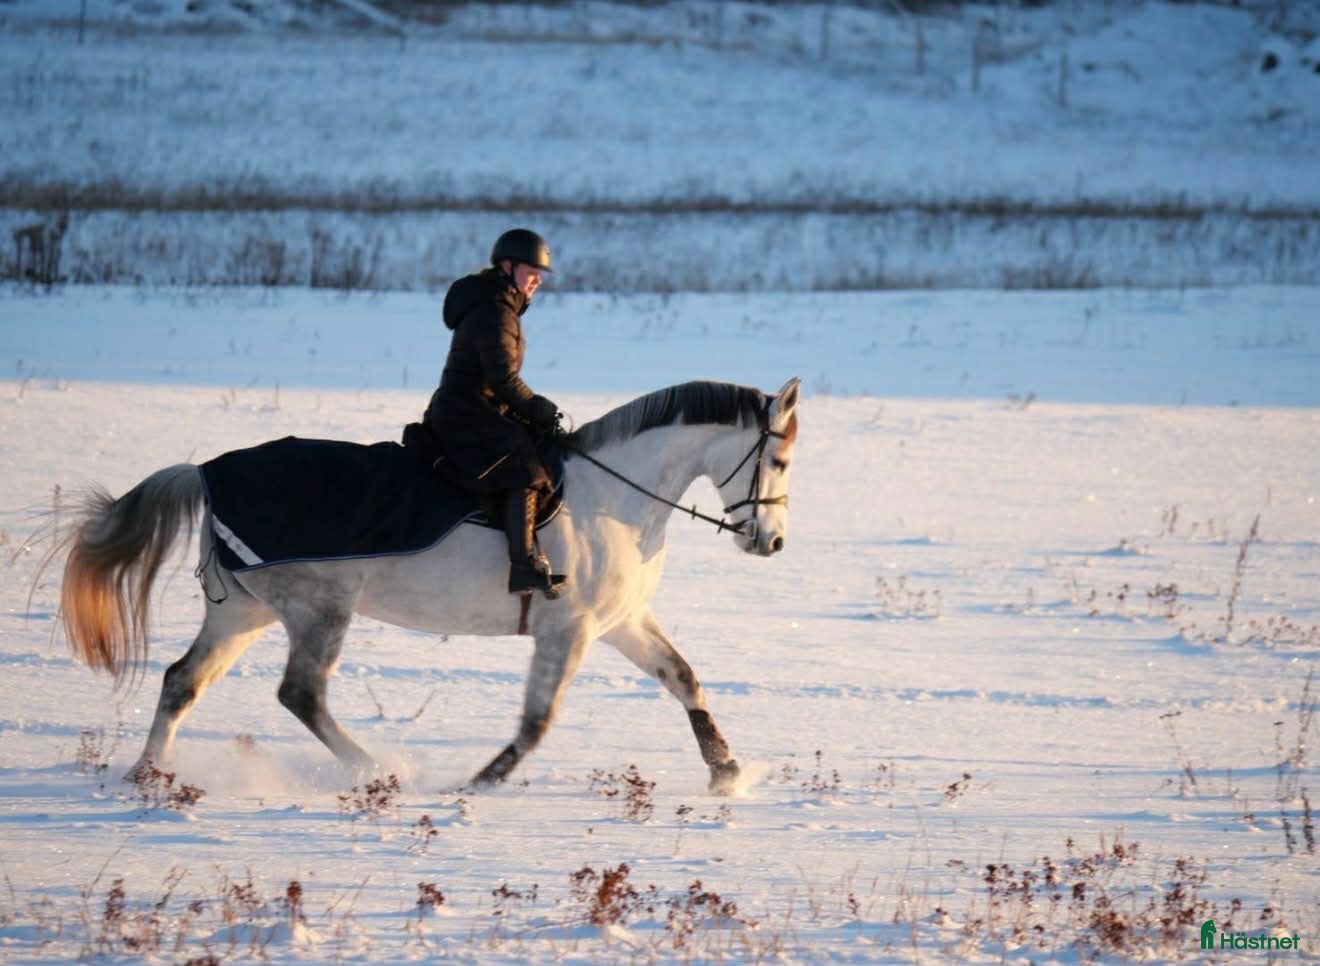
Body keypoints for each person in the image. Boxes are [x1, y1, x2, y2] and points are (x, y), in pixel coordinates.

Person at [413, 228, 567, 598]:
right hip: (465, 413)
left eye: (540, 275)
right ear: (508, 266)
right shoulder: (495, 312)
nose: (537, 281)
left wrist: (532, 412)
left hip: (474, 407)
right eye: (531, 272)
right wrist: (535, 407)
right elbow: (503, 378)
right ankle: (523, 567)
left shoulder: (498, 305)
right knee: (525, 469)